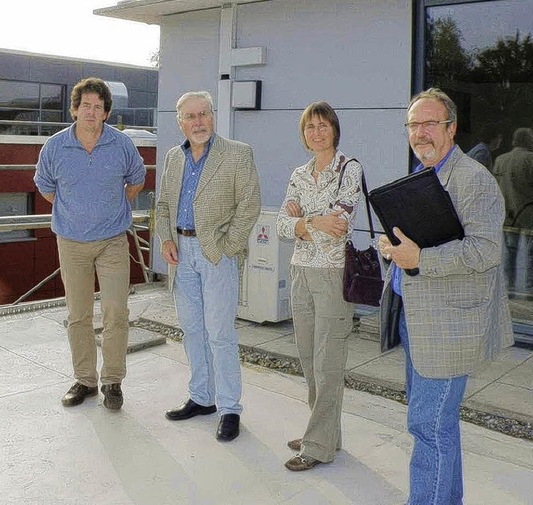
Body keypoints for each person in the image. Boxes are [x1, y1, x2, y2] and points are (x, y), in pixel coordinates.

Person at [378, 88, 514, 505]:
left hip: (450, 326)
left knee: (427, 426)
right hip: (417, 318)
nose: (420, 133)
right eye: (413, 125)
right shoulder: (424, 176)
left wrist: (419, 256)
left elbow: (486, 250)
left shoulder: (474, 180)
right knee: (438, 426)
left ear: (451, 128)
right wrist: (395, 249)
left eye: (429, 123)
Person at [34, 78, 146, 410]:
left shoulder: (122, 144)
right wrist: (74, 212)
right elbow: (45, 185)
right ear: (75, 109)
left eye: (98, 107)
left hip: (112, 241)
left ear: (106, 113)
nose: (91, 112)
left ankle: (113, 381)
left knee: (116, 311)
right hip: (71, 243)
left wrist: (110, 209)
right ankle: (85, 380)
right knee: (78, 314)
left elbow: (136, 180)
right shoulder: (55, 146)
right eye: (86, 106)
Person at [155, 91, 261, 441]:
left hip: (217, 254)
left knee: (220, 334)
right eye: (190, 116)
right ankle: (202, 398)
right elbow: (164, 204)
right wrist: (167, 240)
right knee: (192, 330)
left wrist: (228, 247)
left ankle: (229, 407)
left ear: (213, 117)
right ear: (180, 123)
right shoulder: (173, 156)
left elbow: (249, 205)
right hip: (180, 254)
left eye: (204, 114)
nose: (198, 122)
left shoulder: (237, 153)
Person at [275, 101, 362, 471]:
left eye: (323, 125)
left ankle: (318, 444)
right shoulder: (299, 173)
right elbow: (280, 225)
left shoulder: (349, 169)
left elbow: (339, 224)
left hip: (332, 274)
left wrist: (302, 222)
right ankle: (325, 432)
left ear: (334, 129)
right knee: (309, 358)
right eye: (310, 127)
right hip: (300, 271)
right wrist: (315, 220)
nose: (317, 132)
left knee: (329, 362)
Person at [493, 127, 533, 293]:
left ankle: (508, 287)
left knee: (509, 251)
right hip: (527, 213)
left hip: (507, 214)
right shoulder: (530, 159)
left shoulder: (501, 159)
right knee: (531, 254)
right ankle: (530, 289)